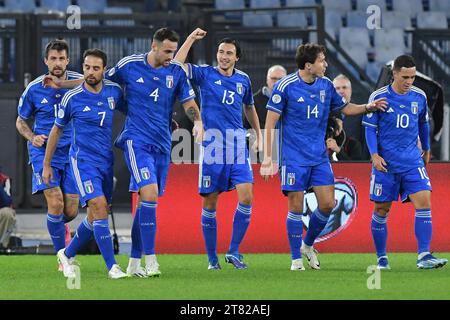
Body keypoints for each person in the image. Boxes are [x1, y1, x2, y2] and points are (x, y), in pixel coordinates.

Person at [44, 28, 203, 278]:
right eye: (167, 51)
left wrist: (188, 121)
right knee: (140, 196)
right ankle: (138, 262)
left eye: (174, 51)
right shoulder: (128, 66)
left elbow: (180, 102)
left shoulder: (169, 73)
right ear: (153, 46)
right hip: (127, 144)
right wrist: (62, 84)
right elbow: (95, 80)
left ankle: (122, 260)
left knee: (123, 207)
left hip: (153, 146)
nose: (171, 56)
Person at [260, 43, 387, 271]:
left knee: (328, 204)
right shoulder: (285, 86)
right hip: (293, 157)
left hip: (319, 157)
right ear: (308, 65)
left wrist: (369, 107)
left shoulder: (326, 86)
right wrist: (268, 158)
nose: (325, 64)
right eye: (321, 60)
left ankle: (307, 245)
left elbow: (345, 109)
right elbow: (270, 122)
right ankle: (295, 260)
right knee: (296, 207)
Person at [174, 28, 262, 269]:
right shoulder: (204, 74)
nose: (223, 56)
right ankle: (212, 258)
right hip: (212, 146)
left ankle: (233, 251)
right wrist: (190, 38)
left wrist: (258, 133)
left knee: (247, 196)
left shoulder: (243, 79)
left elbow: (249, 108)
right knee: (211, 203)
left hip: (237, 146)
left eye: (229, 53)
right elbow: (176, 64)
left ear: (237, 58)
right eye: (221, 52)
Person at [43, 49, 129, 279]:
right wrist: (46, 164)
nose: (90, 72)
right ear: (83, 68)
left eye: (95, 68)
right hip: (82, 162)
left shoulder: (114, 92)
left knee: (95, 215)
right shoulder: (73, 98)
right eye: (87, 67)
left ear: (103, 70)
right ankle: (112, 267)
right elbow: (56, 131)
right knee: (99, 206)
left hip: (105, 161)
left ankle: (67, 253)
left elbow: (133, 112)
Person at [362, 54, 448, 270]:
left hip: (412, 161)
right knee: (382, 209)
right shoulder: (379, 97)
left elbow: (423, 124)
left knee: (424, 201)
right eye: (405, 77)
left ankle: (424, 255)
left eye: (412, 77)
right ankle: (382, 258)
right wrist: (374, 155)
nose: (409, 81)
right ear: (394, 74)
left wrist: (427, 148)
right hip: (386, 164)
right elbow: (370, 129)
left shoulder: (419, 96)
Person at [16, 40, 82, 263]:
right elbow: (20, 121)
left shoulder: (78, 83)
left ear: (68, 60)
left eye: (61, 58)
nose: (57, 63)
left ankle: (59, 228)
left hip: (71, 152)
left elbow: (97, 82)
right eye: (53, 58)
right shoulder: (34, 88)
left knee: (71, 210)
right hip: (44, 153)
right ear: (46, 61)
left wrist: (60, 84)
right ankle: (62, 257)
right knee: (55, 202)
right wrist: (32, 137)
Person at [244, 65, 286, 130]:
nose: (277, 82)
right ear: (267, 79)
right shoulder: (254, 100)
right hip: (262, 138)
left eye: (280, 79)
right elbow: (246, 126)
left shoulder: (292, 100)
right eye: (273, 78)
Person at [0, 170, 16, 249]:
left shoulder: (5, 179)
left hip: (1, 209)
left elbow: (7, 202)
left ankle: (2, 245)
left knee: (7, 213)